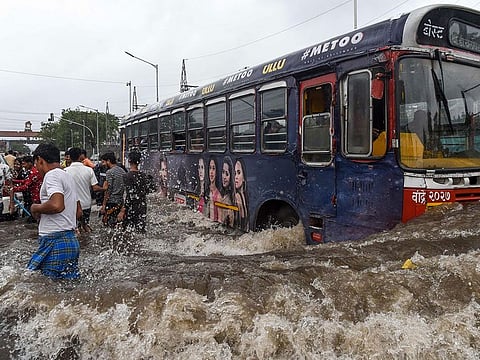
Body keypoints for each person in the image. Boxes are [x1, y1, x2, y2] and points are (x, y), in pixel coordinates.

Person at [28, 143, 81, 279]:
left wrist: (36, 207)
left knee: (45, 287)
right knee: (66, 289)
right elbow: (78, 211)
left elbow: (57, 205)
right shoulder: (67, 176)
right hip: (70, 240)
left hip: (55, 240)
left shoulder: (52, 175)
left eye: (36, 164)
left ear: (40, 160)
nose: (37, 169)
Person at [65, 147, 103, 233]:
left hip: (71, 205)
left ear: (70, 157)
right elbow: (95, 188)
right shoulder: (89, 170)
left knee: (73, 228)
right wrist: (104, 188)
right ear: (81, 157)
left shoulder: (65, 171)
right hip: (86, 204)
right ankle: (87, 243)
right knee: (85, 226)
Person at [117, 151, 151, 232]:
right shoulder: (144, 175)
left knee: (128, 231)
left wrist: (123, 210)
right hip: (142, 206)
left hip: (131, 208)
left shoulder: (127, 176)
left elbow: (130, 195)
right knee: (140, 230)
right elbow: (148, 190)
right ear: (139, 162)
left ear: (129, 161)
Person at [9, 155, 42, 222]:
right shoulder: (32, 171)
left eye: (24, 164)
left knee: (34, 219)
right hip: (33, 198)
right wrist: (14, 181)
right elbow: (26, 181)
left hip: (36, 198)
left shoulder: (34, 172)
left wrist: (13, 189)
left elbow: (26, 186)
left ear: (30, 163)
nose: (23, 166)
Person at [100, 152, 126, 227]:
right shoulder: (122, 170)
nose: (103, 164)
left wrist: (104, 205)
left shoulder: (109, 172)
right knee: (118, 225)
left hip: (112, 202)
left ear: (108, 161)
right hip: (120, 202)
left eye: (103, 162)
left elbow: (108, 190)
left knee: (108, 225)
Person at [234, 158, 249, 231]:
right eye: (234, 173)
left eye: (239, 173)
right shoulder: (236, 197)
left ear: (243, 177)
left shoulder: (244, 197)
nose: (236, 177)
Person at [219, 157, 234, 227]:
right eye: (223, 172)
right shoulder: (221, 194)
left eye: (227, 174)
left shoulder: (231, 198)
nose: (224, 177)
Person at [207, 157, 221, 221]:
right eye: (210, 168)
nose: (211, 172)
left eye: (213, 168)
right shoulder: (206, 191)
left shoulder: (218, 195)